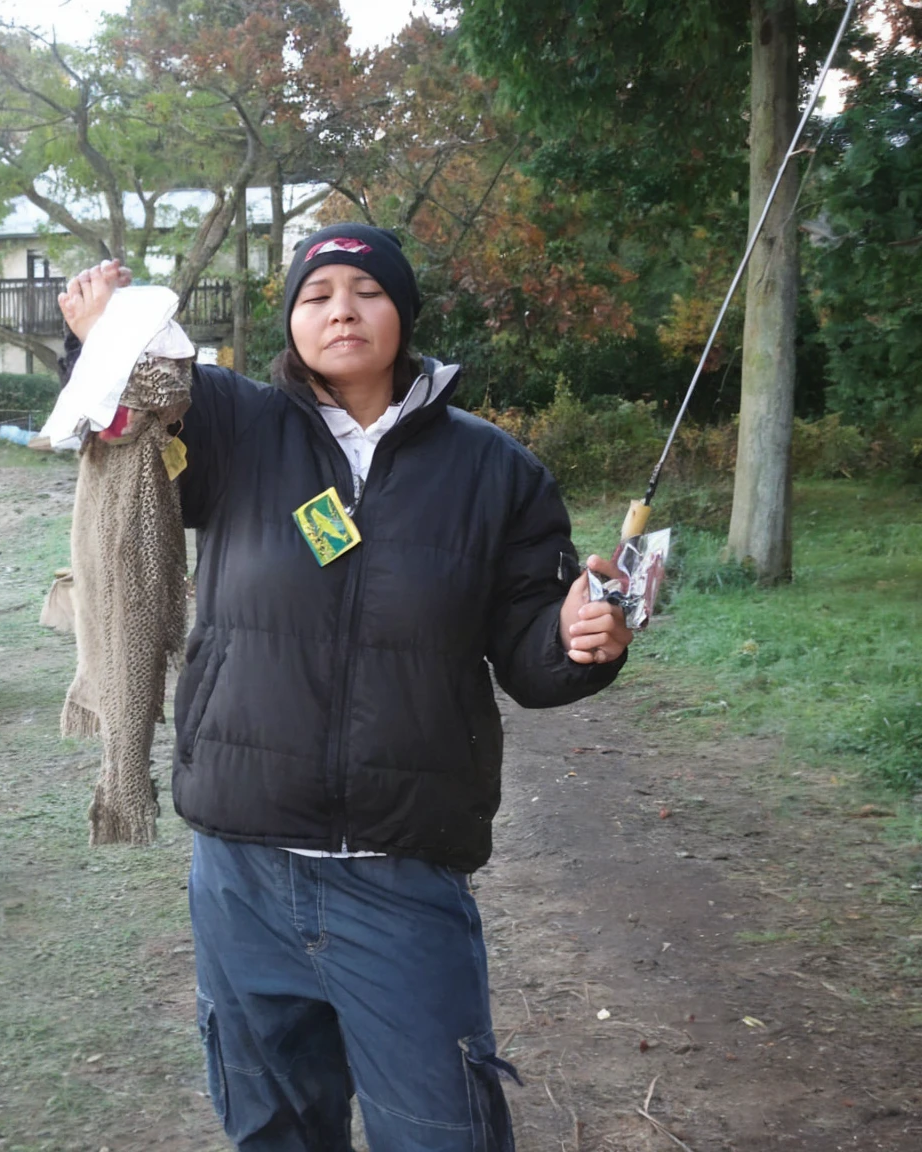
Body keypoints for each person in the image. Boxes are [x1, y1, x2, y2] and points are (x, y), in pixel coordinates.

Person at [56, 224, 635, 1152]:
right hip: (242, 870)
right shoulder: (237, 425)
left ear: (403, 313)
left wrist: (578, 642)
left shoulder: (497, 471)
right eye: (317, 293)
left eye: (365, 292)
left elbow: (531, 653)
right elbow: (134, 409)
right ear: (292, 318)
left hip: (402, 877)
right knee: (275, 1130)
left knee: (442, 1132)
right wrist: (103, 330)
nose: (341, 311)